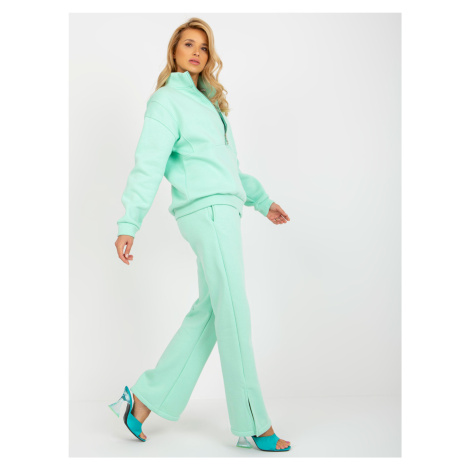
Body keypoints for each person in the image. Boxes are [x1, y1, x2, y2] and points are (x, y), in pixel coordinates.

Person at [109, 18, 291, 452]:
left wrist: (261, 200)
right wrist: (129, 223)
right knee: (235, 312)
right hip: (207, 212)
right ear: (174, 51)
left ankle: (142, 401)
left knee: (210, 312)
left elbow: (225, 169)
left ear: (209, 57)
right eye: (188, 44)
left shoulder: (209, 104)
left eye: (203, 47)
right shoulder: (167, 101)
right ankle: (254, 424)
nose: (196, 52)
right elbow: (148, 164)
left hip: (224, 209)